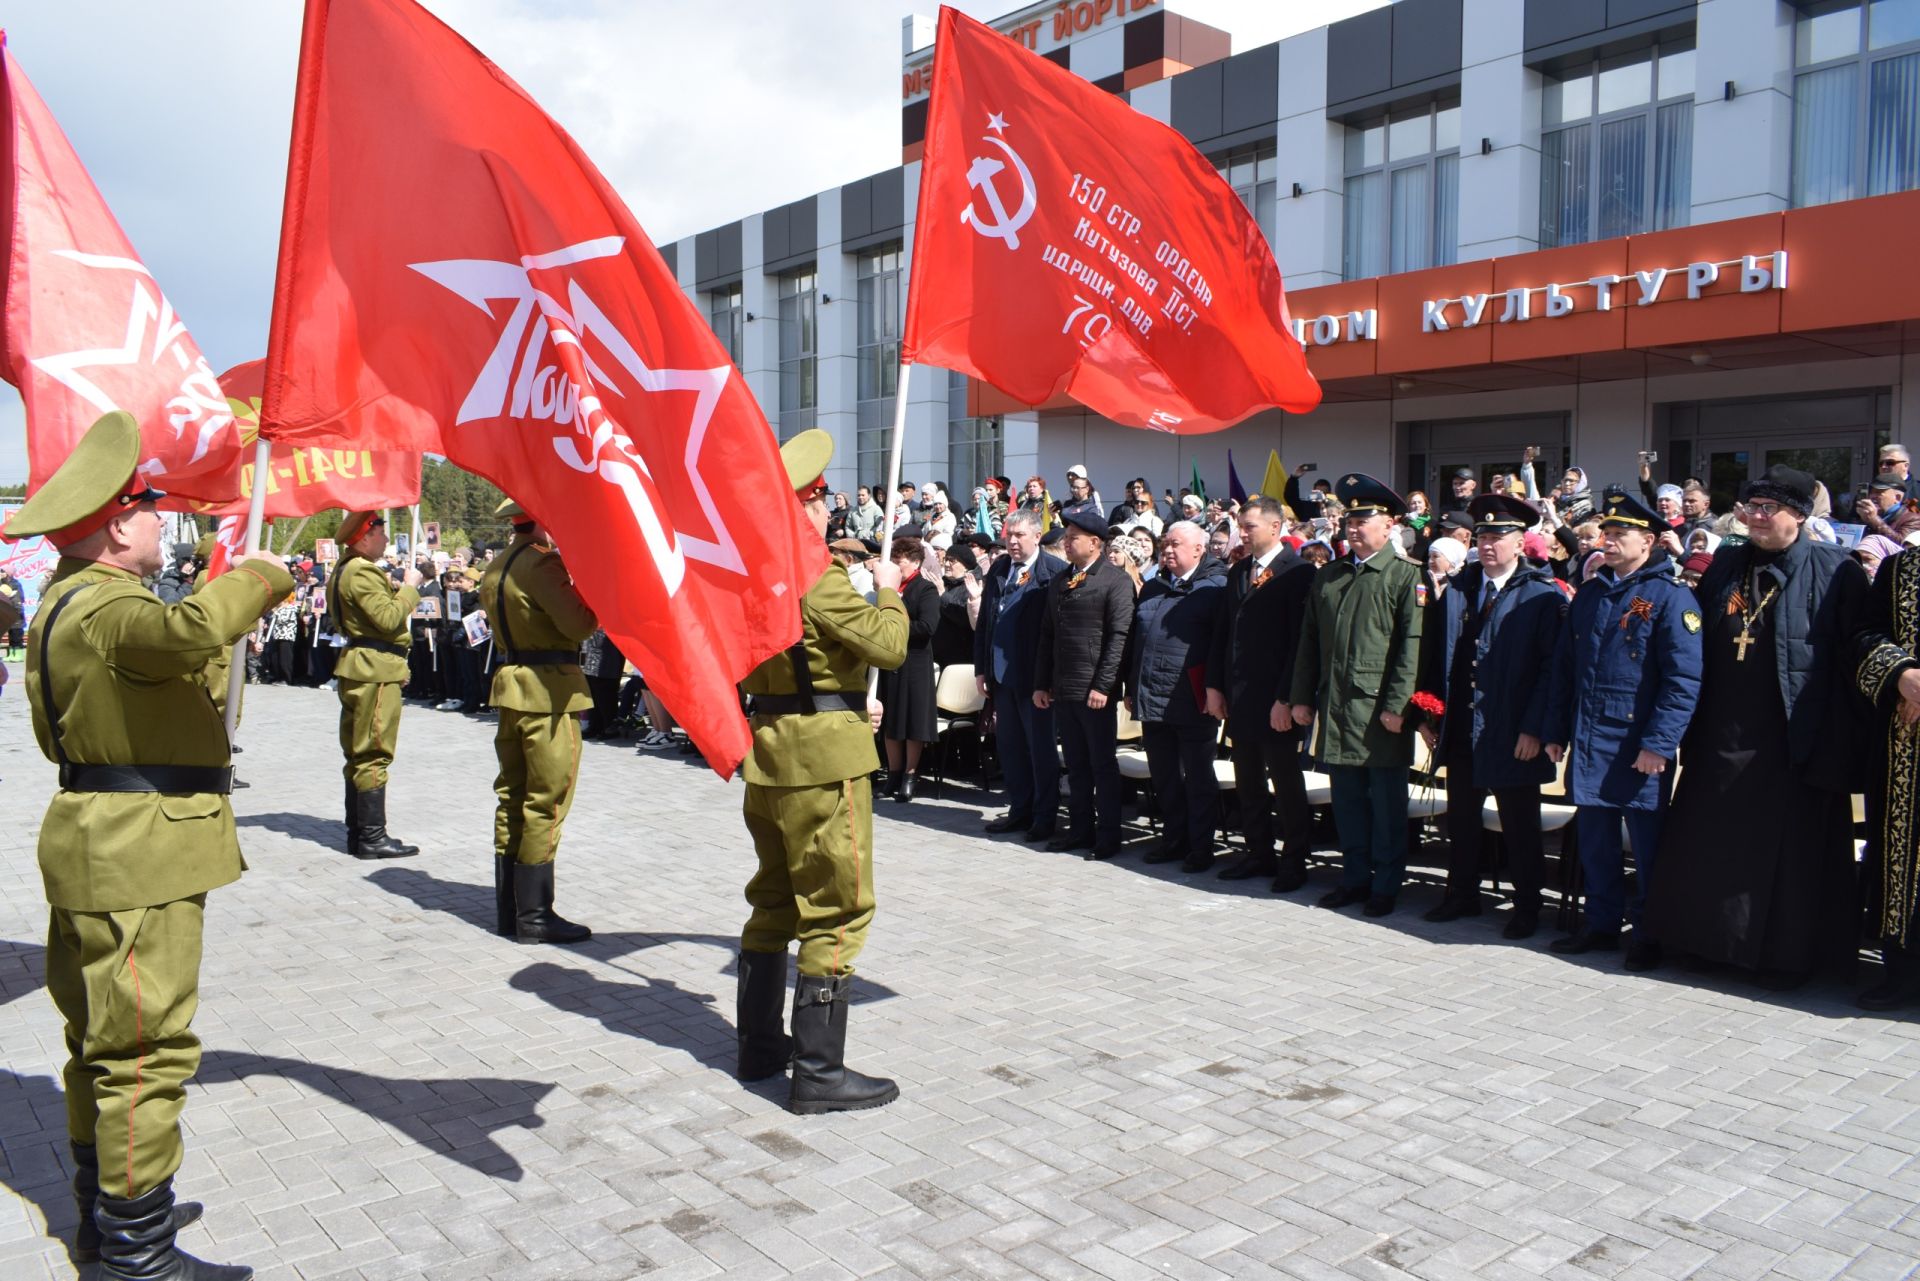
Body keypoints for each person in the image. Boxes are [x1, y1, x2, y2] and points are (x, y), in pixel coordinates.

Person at [7, 410, 292, 1281]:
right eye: (150, 508)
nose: (162, 520)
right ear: (116, 524)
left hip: (101, 843)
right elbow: (184, 634)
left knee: (98, 1041)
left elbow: (157, 684)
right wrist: (260, 576)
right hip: (140, 854)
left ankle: (109, 1215)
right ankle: (139, 1256)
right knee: (144, 1051)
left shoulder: (63, 601)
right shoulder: (108, 605)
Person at [736, 428, 907, 1114]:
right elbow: (889, 647)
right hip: (824, 758)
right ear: (803, 504)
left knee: (773, 899)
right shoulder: (816, 573)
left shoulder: (750, 568)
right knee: (838, 909)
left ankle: (759, 1045)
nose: (826, 511)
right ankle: (819, 1071)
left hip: (771, 750)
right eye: (819, 500)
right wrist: (889, 591)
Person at [1645, 466, 1869, 985]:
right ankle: (1705, 946)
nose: (1756, 518)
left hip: (1792, 739)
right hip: (1722, 733)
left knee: (1787, 857)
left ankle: (1783, 961)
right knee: (1711, 845)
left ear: (1799, 515)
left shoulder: (1837, 569)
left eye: (1769, 509)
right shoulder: (1727, 563)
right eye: (1751, 507)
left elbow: (1852, 658)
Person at [1541, 489, 1702, 968]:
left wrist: (1659, 743)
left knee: (1648, 849)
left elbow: (1683, 679)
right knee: (1596, 843)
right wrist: (1555, 729)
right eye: (1605, 534)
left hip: (1639, 745)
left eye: (1619, 535)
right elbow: (1565, 669)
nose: (1608, 543)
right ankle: (1602, 925)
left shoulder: (1671, 597)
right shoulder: (1592, 593)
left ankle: (1650, 933)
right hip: (1590, 738)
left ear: (1648, 541)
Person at [1415, 495, 1566, 938]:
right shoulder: (1459, 589)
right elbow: (1437, 655)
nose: (1488, 544)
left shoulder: (1540, 595)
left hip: (1512, 729)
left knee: (1519, 824)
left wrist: (1535, 728)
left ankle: (1527, 907)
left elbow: (1550, 670)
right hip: (1462, 726)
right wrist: (1426, 711)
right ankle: (1461, 894)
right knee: (1461, 819)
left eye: (1498, 537)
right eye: (1482, 536)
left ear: (1520, 543)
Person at [1289, 475, 1425, 916]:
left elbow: (1412, 647)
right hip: (1338, 706)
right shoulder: (1331, 575)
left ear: (1389, 525)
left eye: (1365, 519)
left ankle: (1385, 885)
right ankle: (1353, 879)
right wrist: (1301, 696)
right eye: (1349, 518)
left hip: (1379, 711)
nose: (1353, 526)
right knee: (1346, 803)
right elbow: (1308, 642)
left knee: (1385, 806)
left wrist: (1397, 705)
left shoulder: (1405, 577)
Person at [479, 497, 601, 944]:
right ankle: (534, 915)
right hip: (548, 692)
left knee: (511, 796)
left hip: (512, 685)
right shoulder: (541, 565)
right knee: (546, 800)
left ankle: (510, 911)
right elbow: (580, 624)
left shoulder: (497, 566)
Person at [1207, 496, 1318, 891]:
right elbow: (1225, 634)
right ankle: (1258, 853)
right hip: (1241, 697)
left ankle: (1294, 859)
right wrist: (1215, 687)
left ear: (1276, 527)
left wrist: (1286, 698)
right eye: (1241, 524)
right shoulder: (1239, 570)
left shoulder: (1298, 572)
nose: (1243, 531)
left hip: (1276, 700)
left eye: (1250, 525)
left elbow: (1299, 644)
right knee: (1248, 779)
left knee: (1285, 784)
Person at [1122, 521, 1227, 870]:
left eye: (1175, 544)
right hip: (1152, 696)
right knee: (1165, 776)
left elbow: (1219, 646)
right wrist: (1131, 686)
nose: (1167, 550)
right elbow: (1137, 641)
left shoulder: (1214, 587)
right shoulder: (1152, 587)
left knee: (1198, 779)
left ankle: (1200, 847)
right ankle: (1173, 839)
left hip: (1192, 699)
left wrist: (1215, 690)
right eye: (1164, 544)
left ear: (1199, 549)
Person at [1033, 508, 1133, 858]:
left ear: (1095, 542)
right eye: (1066, 537)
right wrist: (1042, 683)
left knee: (1101, 766)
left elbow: (1118, 638)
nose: (1067, 543)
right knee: (1075, 765)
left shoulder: (1115, 580)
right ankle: (1079, 831)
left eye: (1073, 537)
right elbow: (1048, 635)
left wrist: (1103, 686)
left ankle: (1107, 837)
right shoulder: (1061, 580)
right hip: (1064, 687)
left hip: (1094, 691)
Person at [328, 511, 425, 859]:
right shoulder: (361, 571)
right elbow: (387, 618)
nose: (386, 540)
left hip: (361, 665)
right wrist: (411, 587)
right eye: (381, 534)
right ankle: (371, 837)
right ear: (364, 537)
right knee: (373, 753)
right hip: (375, 670)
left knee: (358, 753)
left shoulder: (346, 568)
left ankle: (360, 833)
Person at [1854, 545, 1920, 1008]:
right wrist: (1902, 673)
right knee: (1902, 854)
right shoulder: (1902, 569)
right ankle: (1902, 972)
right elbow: (1864, 633)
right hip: (1906, 745)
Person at [975, 509, 1065, 840]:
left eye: (1019, 536)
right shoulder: (999, 568)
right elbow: (986, 621)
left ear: (1037, 536)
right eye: (1008, 535)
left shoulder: (1053, 572)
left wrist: (1048, 680)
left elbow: (1056, 633)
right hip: (1001, 676)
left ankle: (1044, 816)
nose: (1012, 542)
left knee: (1039, 750)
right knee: (1010, 748)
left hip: (1035, 680)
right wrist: (981, 668)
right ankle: (1020, 810)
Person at [878, 536, 940, 801]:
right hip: (890, 661)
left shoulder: (924, 589)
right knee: (890, 720)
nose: (894, 565)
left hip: (915, 663)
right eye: (892, 559)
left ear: (914, 562)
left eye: (898, 560)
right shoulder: (886, 590)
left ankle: (910, 775)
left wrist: (895, 626)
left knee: (913, 721)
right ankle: (892, 774)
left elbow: (927, 627)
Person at [1856, 472, 1920, 543]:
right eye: (1871, 492)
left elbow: (1901, 545)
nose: (1872, 496)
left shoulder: (1914, 520)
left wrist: (1874, 520)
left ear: (1897, 497)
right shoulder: (1867, 516)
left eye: (1878, 492)